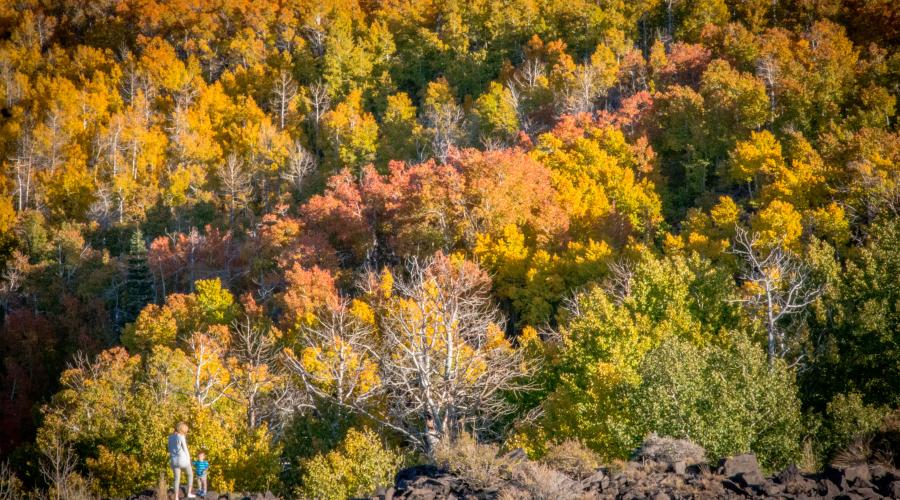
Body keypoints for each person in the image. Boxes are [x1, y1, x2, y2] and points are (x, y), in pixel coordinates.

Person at [167, 422, 196, 499]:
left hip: (173, 460)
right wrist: (189, 460)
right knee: (190, 474)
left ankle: (176, 497)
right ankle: (189, 493)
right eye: (185, 431)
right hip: (182, 459)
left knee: (176, 478)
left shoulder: (170, 437)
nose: (186, 432)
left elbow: (169, 449)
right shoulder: (181, 437)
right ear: (182, 430)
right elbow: (185, 449)